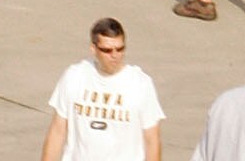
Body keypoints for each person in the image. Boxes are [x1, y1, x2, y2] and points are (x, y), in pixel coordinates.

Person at [40, 18, 164, 161]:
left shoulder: (141, 84)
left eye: (120, 49)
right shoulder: (74, 76)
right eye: (107, 50)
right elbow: (57, 131)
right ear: (93, 49)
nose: (115, 55)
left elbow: (152, 140)